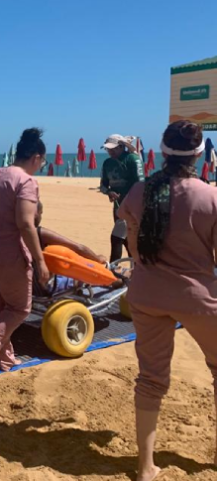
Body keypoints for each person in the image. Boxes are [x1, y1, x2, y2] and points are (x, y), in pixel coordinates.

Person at [117, 121, 217, 481]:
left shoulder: (138, 192)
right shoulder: (210, 196)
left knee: (151, 379)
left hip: (146, 295)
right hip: (198, 298)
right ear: (199, 153)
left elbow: (131, 243)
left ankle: (145, 468)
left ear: (161, 152)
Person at [0, 128, 50, 381]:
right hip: (7, 254)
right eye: (43, 162)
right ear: (36, 157)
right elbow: (26, 224)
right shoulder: (26, 181)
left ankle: (5, 357)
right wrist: (40, 260)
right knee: (20, 308)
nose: (42, 166)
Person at [100, 134, 144, 262]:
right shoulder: (107, 163)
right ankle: (136, 267)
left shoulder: (133, 159)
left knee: (116, 238)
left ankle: (113, 272)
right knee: (126, 239)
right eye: (108, 149)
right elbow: (102, 185)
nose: (111, 152)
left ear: (121, 147)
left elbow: (140, 185)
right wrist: (109, 192)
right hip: (117, 208)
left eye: (113, 149)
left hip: (132, 207)